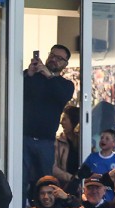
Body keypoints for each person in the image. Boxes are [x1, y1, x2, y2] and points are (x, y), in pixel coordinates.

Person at [22, 45, 74, 194]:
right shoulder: (34, 78)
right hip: (25, 138)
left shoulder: (65, 85)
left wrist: (50, 76)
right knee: (21, 179)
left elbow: (62, 95)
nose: (54, 60)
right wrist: (29, 74)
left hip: (46, 141)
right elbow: (17, 93)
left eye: (59, 58)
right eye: (52, 55)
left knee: (45, 182)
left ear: (65, 64)